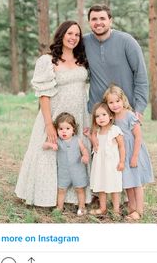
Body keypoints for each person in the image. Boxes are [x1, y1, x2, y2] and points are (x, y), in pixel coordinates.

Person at [15, 21, 91, 207]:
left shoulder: (82, 60)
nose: (73, 37)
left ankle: (74, 197)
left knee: (74, 154)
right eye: (69, 33)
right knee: (48, 152)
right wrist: (49, 124)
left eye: (77, 35)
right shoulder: (47, 61)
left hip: (78, 115)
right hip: (54, 114)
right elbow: (43, 94)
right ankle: (45, 196)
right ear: (61, 34)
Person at [83, 4, 148, 121]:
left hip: (124, 111)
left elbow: (141, 75)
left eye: (102, 18)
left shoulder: (127, 41)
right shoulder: (83, 43)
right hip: (97, 114)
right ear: (89, 22)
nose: (98, 22)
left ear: (110, 21)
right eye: (94, 19)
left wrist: (139, 108)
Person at [103, 84, 154, 220]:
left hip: (134, 152)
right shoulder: (112, 119)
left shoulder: (130, 115)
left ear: (123, 100)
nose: (115, 105)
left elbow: (138, 136)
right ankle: (132, 208)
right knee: (128, 183)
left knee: (136, 183)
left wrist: (135, 156)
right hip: (122, 154)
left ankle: (139, 210)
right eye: (111, 102)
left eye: (117, 101)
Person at [43, 112, 89, 216]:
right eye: (61, 129)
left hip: (78, 171)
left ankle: (82, 207)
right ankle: (59, 207)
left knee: (80, 189)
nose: (64, 131)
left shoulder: (77, 140)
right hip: (64, 172)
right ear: (57, 130)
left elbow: (84, 149)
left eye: (67, 129)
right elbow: (43, 145)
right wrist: (50, 145)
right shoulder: (58, 141)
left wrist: (85, 156)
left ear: (73, 130)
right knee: (61, 190)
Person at [85, 102, 125, 216]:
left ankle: (116, 210)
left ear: (111, 116)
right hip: (100, 164)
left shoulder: (115, 130)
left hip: (112, 164)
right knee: (101, 185)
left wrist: (122, 161)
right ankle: (103, 208)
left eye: (104, 114)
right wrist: (90, 136)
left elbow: (122, 146)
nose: (100, 118)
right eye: (97, 116)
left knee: (114, 186)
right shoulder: (97, 131)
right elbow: (96, 144)